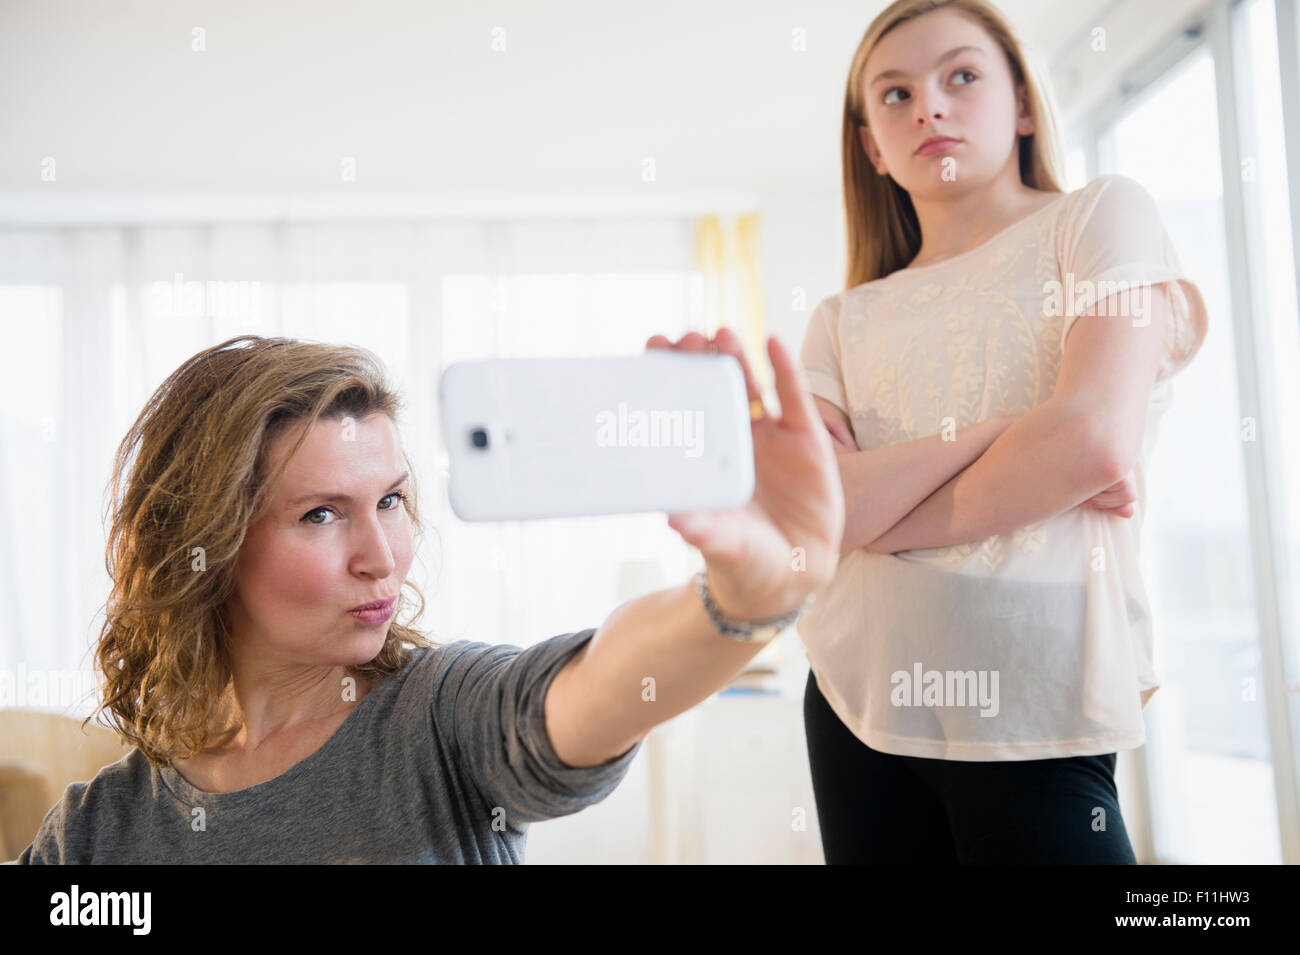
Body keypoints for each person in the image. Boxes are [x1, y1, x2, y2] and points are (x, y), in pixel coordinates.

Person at [18, 327, 843, 863]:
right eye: (319, 514)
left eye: (389, 501)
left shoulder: (441, 718)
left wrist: (746, 595)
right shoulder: (97, 836)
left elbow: (595, 684)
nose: (384, 556)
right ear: (206, 545)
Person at [797, 0, 1209, 863]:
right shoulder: (840, 319)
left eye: (961, 76)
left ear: (1022, 104)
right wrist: (1002, 437)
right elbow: (814, 513)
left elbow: (1092, 441)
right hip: (857, 701)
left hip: (1039, 692)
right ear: (873, 145)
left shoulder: (1097, 220)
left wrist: (870, 514)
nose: (931, 108)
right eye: (896, 95)